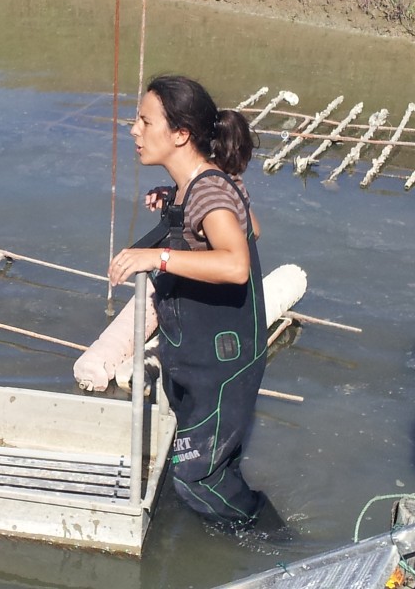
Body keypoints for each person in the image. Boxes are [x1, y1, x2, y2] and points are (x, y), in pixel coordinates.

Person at [107, 74, 273, 531]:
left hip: (222, 364)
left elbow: (237, 263)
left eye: (144, 121)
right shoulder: (198, 185)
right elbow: (251, 226)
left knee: (198, 478)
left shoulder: (209, 189)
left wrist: (157, 254)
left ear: (180, 134)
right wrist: (178, 216)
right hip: (199, 358)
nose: (134, 130)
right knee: (204, 466)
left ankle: (273, 542)